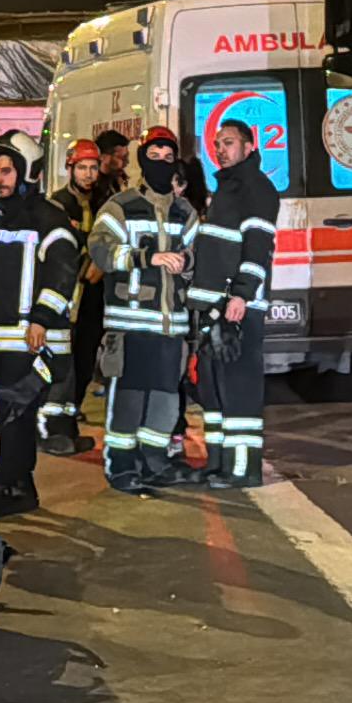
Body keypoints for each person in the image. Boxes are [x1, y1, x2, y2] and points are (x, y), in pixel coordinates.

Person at [0, 133, 76, 517]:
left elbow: (62, 276)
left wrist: (41, 320)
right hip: (5, 342)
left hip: (31, 341)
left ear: (28, 172)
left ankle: (11, 488)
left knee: (16, 420)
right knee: (9, 420)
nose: (0, 179)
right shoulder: (1, 224)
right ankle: (11, 485)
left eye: (7, 171)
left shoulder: (50, 221)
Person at [89, 126, 205, 491]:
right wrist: (147, 257)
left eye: (167, 158)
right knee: (127, 398)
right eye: (153, 158)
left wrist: (185, 261)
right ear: (142, 162)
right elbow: (100, 250)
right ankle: (121, 467)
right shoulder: (119, 206)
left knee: (165, 401)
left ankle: (155, 463)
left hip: (171, 325)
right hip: (130, 323)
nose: (160, 164)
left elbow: (199, 257)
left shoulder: (185, 212)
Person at [186, 115, 280, 485]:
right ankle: (217, 464)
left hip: (236, 308)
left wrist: (241, 295)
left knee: (239, 391)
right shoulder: (226, 189)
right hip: (214, 307)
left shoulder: (255, 188)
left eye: (228, 142)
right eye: (218, 144)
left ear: (248, 145)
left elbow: (259, 247)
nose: (220, 150)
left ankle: (242, 470)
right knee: (213, 390)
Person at [37, 138, 111, 454]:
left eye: (93, 167)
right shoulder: (57, 205)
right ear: (70, 169)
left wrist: (102, 262)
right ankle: (52, 429)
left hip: (94, 295)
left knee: (83, 362)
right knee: (60, 365)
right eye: (82, 168)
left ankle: (69, 426)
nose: (88, 174)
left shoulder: (107, 203)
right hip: (65, 296)